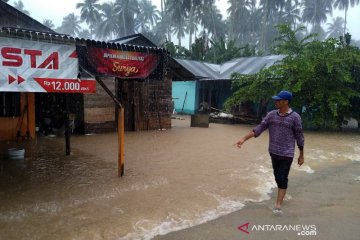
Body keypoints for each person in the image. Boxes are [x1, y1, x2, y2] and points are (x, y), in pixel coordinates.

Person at [234, 90, 304, 213]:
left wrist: (301, 155)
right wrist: (243, 139)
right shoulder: (271, 115)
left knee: (282, 177)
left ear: (286, 101)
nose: (275, 102)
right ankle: (282, 192)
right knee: (277, 177)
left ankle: (278, 205)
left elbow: (299, 136)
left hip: (287, 153)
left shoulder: (295, 117)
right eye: (276, 99)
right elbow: (259, 128)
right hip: (273, 152)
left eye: (278, 100)